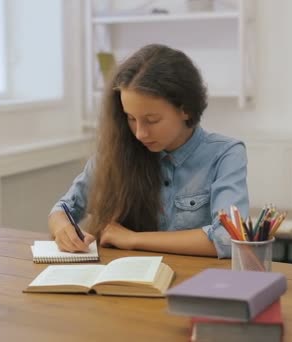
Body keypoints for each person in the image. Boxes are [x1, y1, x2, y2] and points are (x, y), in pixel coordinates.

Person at [48, 44, 249, 258]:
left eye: (151, 120)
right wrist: (63, 230)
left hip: (197, 284)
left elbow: (229, 238)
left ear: (186, 109)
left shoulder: (226, 154)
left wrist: (133, 239)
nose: (140, 134)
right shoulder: (118, 151)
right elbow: (63, 209)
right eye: (131, 118)